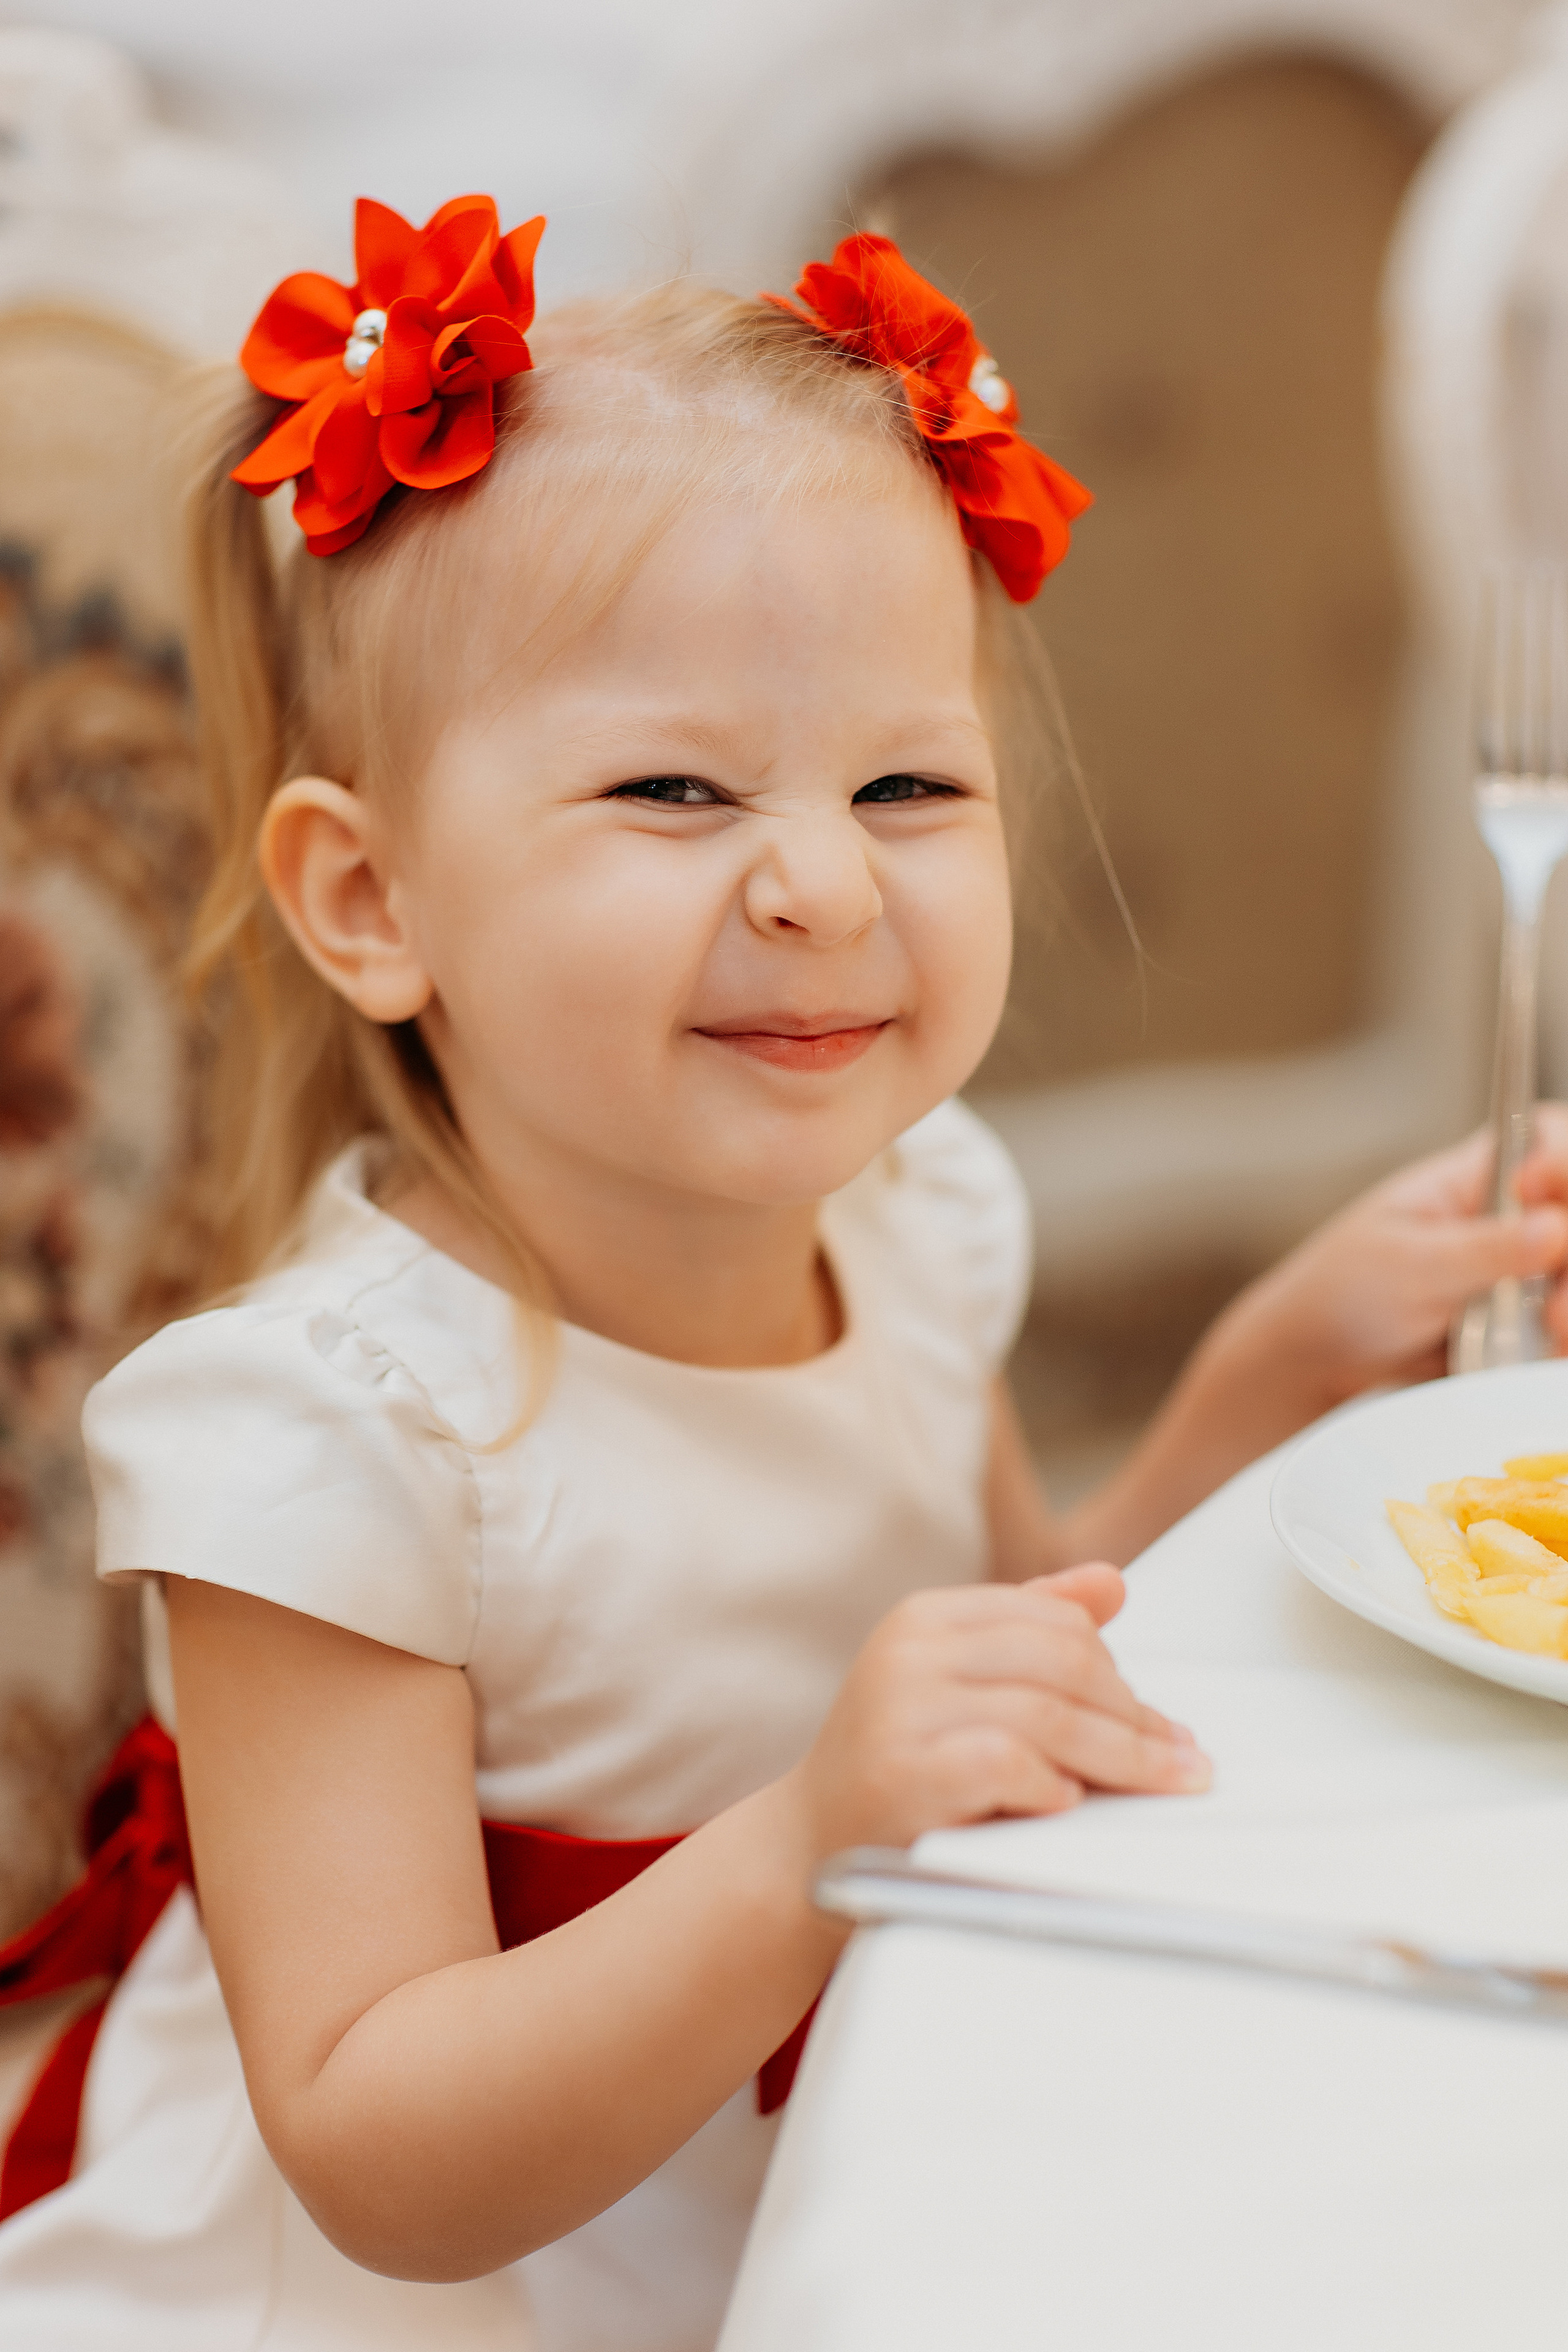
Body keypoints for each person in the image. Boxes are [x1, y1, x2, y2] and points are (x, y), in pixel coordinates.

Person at [2, 197, 1567, 2352]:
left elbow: (1015, 1638)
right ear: (370, 900)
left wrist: (1274, 1367)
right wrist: (806, 1836)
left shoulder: (911, 1229)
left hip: (799, 2197)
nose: (825, 882)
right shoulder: (335, 1437)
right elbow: (375, 2150)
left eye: (907, 781)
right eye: (673, 789)